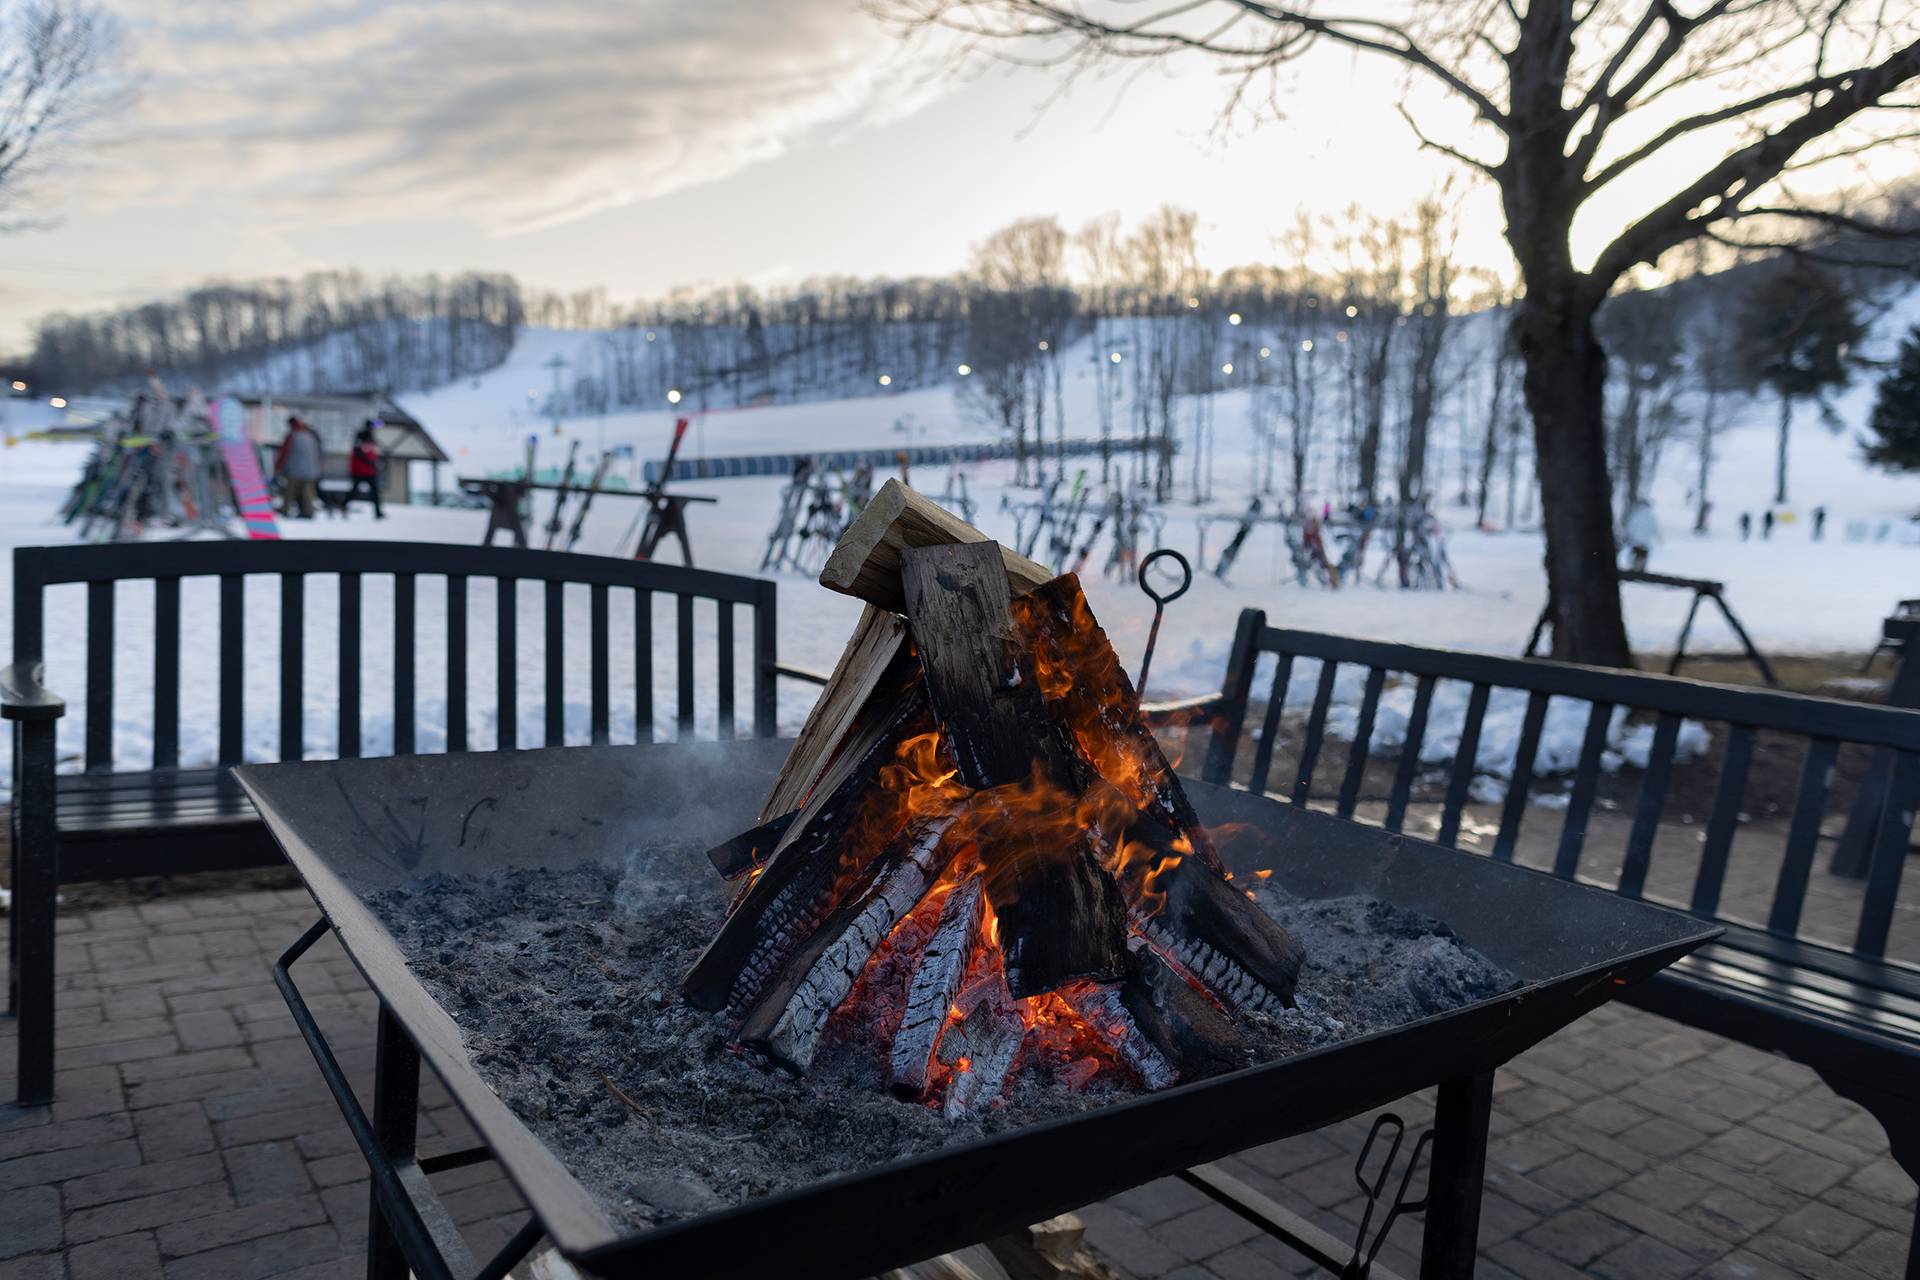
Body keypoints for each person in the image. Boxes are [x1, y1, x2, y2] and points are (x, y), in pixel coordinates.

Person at [274, 416, 320, 519]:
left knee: (289, 492)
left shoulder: (292, 436)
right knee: (307, 493)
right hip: (310, 471)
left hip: (294, 471)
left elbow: (284, 453)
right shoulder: (310, 435)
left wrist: (278, 467)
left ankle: (285, 509)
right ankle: (308, 511)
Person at [349, 421, 385, 519]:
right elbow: (358, 452)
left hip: (369, 470)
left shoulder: (370, 436)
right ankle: (343, 506)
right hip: (359, 470)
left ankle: (378, 513)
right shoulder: (361, 436)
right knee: (354, 491)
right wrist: (369, 462)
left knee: (374, 492)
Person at [1622, 499, 1660, 572]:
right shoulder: (1651, 516)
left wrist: (1629, 535)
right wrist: (1659, 538)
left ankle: (1634, 567)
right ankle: (1640, 569)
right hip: (1645, 542)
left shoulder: (1636, 514)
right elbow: (1655, 529)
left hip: (1636, 541)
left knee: (1636, 554)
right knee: (1643, 555)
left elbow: (1630, 526)